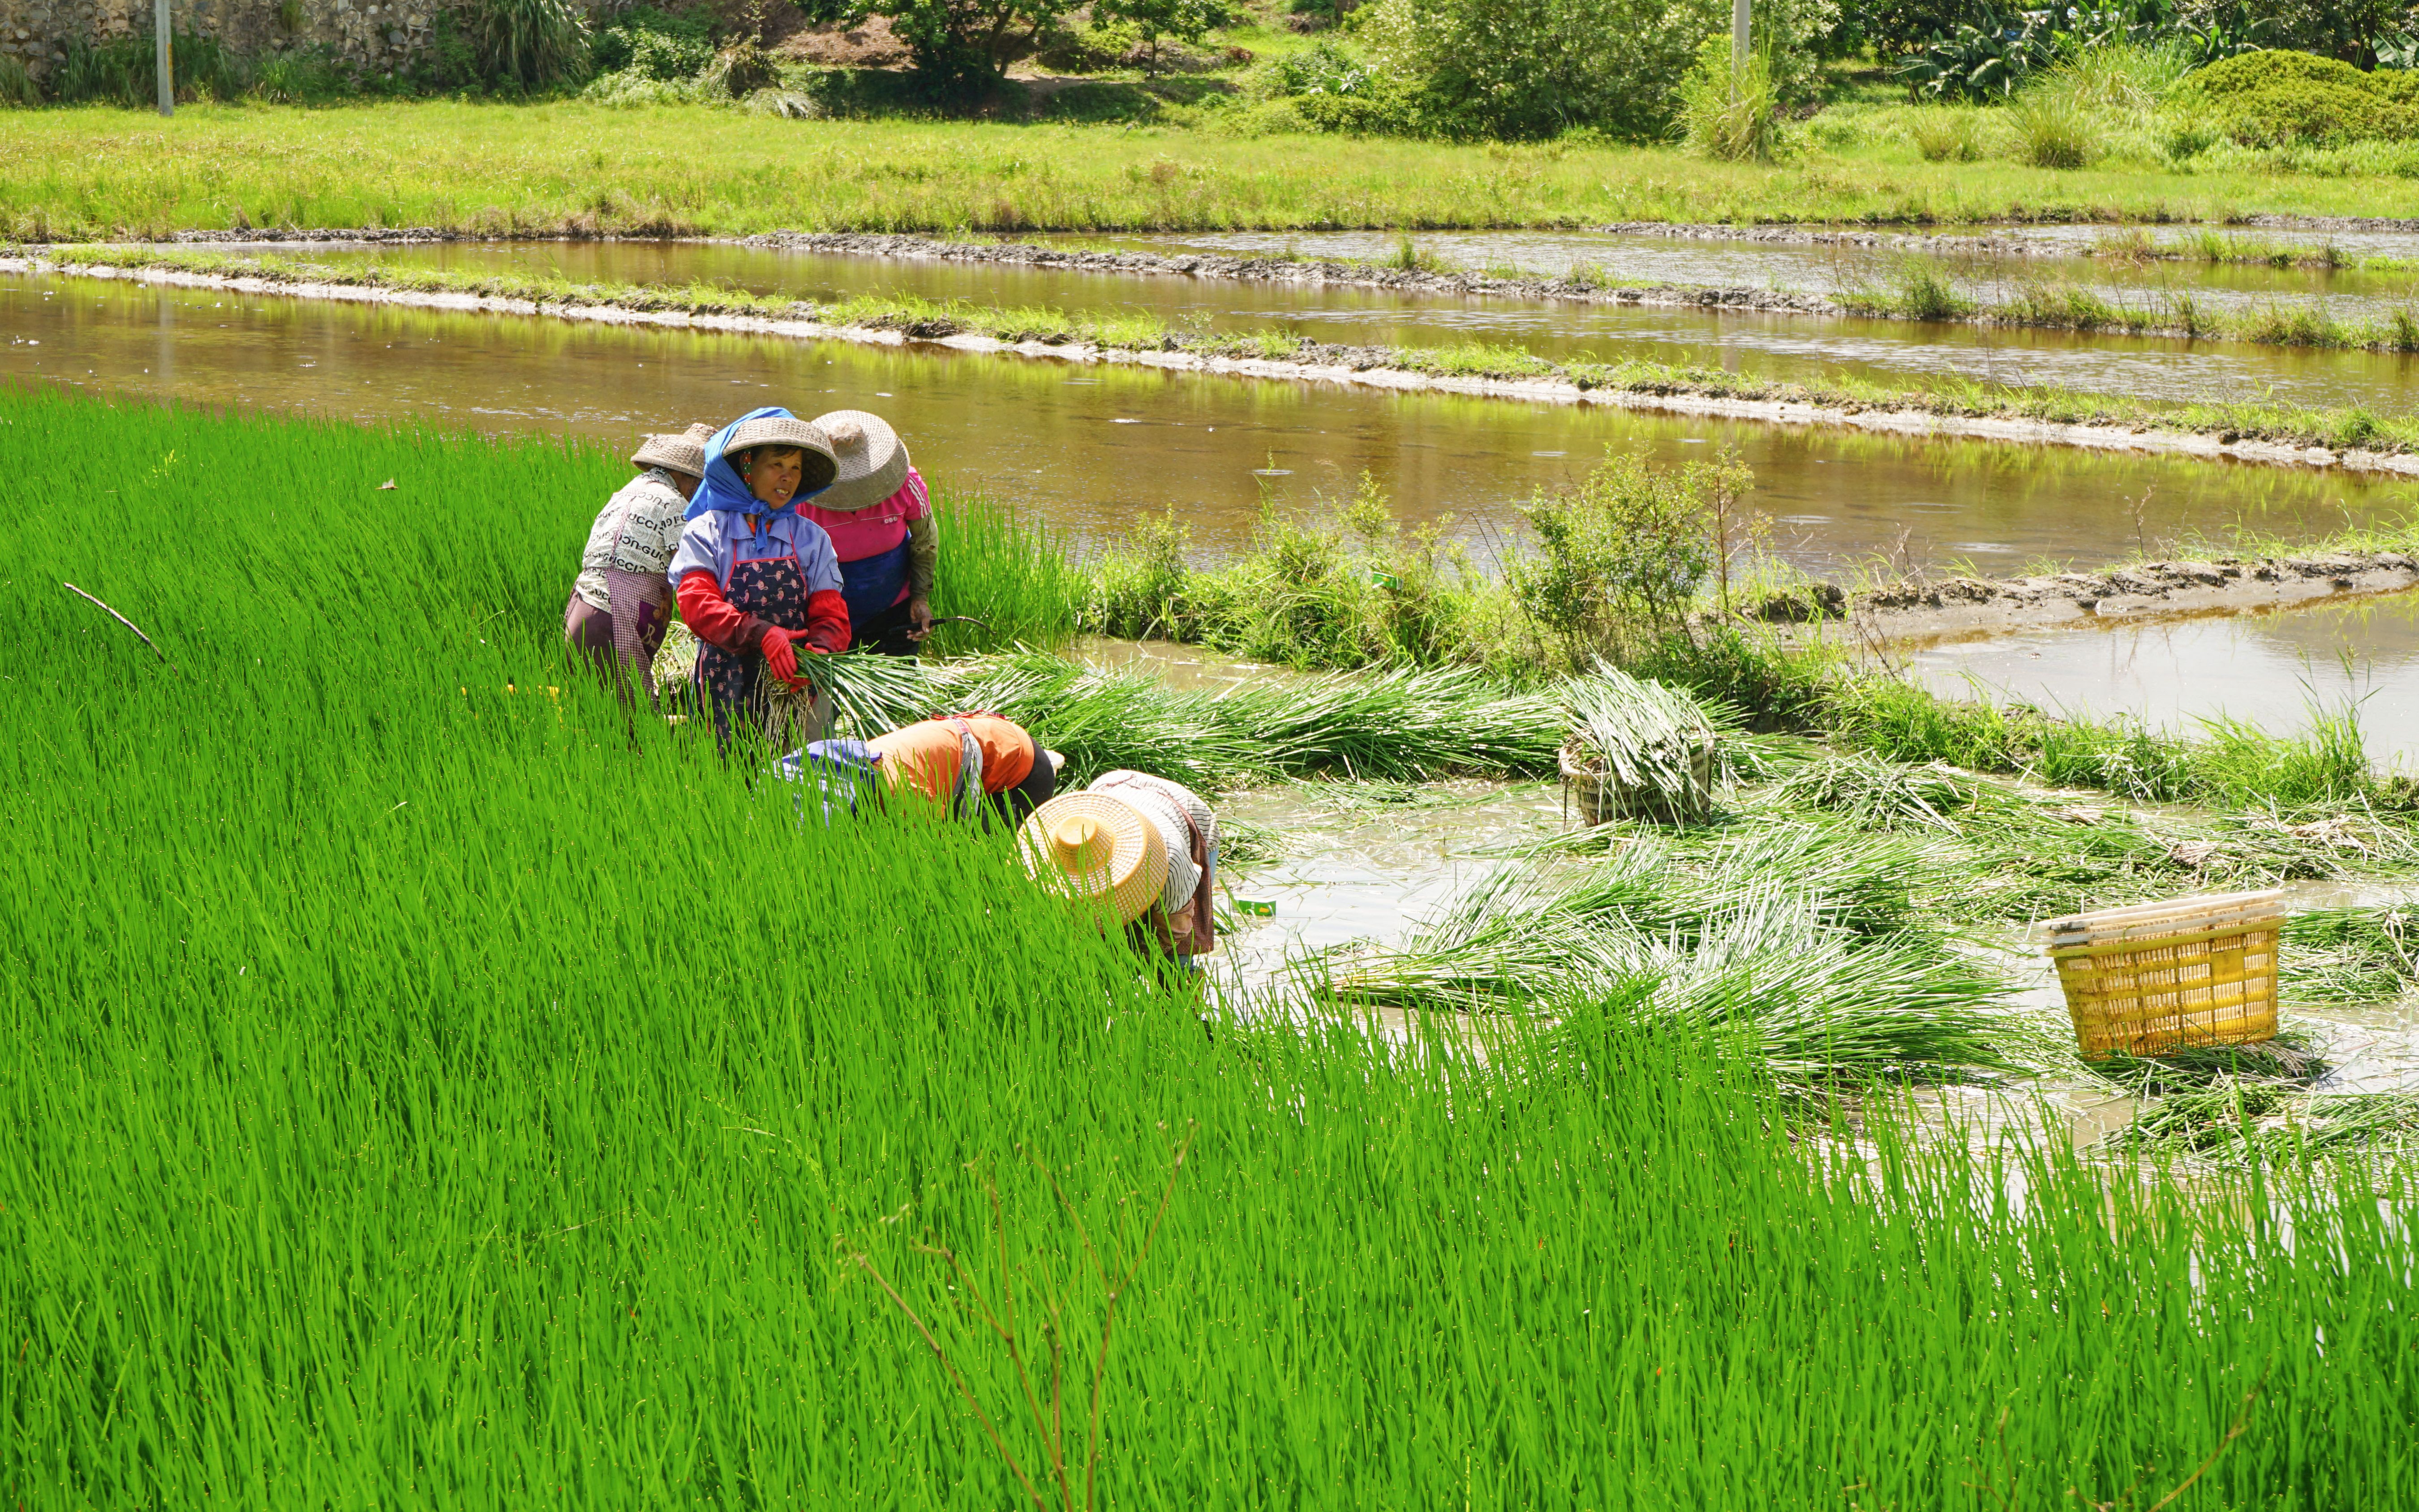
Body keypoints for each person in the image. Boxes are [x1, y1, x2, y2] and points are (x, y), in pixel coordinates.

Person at [666, 408, 848, 748]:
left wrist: (820, 653)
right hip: (725, 680)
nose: (788, 477)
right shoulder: (707, 532)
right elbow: (697, 605)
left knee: (798, 772)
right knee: (729, 772)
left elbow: (831, 611)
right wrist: (761, 634)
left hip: (795, 680)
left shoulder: (811, 537)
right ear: (747, 468)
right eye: (776, 465)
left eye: (795, 468)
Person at [563, 423, 712, 704]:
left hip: (582, 614)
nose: (699, 492)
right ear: (684, 473)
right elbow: (692, 576)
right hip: (611, 622)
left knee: (599, 719)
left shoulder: (627, 492)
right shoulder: (674, 504)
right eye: (700, 484)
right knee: (635, 728)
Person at [1019, 771, 1220, 965]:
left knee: (1177, 960)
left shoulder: (1171, 857)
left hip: (1189, 816)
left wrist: (1133, 963)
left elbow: (1176, 927)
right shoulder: (1049, 848)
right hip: (1112, 786)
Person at [798, 409, 936, 657]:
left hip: (893, 602)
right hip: (827, 609)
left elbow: (925, 542)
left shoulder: (905, 483)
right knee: (829, 685)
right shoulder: (803, 497)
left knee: (898, 683)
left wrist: (920, 597)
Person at [861, 712, 1060, 827]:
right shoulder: (846, 767)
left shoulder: (898, 792)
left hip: (1018, 766)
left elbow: (939, 847)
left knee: (987, 856)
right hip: (980, 744)